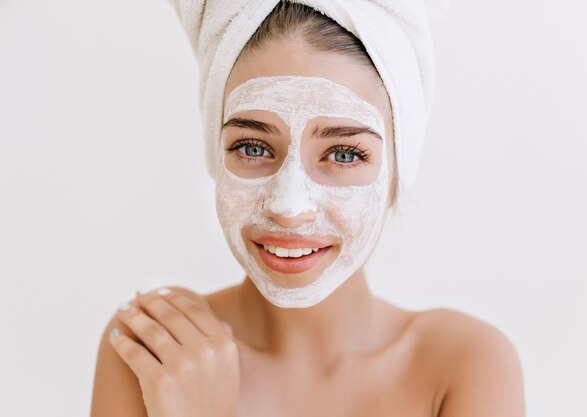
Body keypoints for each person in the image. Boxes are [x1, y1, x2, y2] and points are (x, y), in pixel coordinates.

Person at [90, 3, 526, 416]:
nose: (288, 206)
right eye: (253, 146)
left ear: (397, 169)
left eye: (344, 154)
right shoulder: (159, 349)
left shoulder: (465, 366)